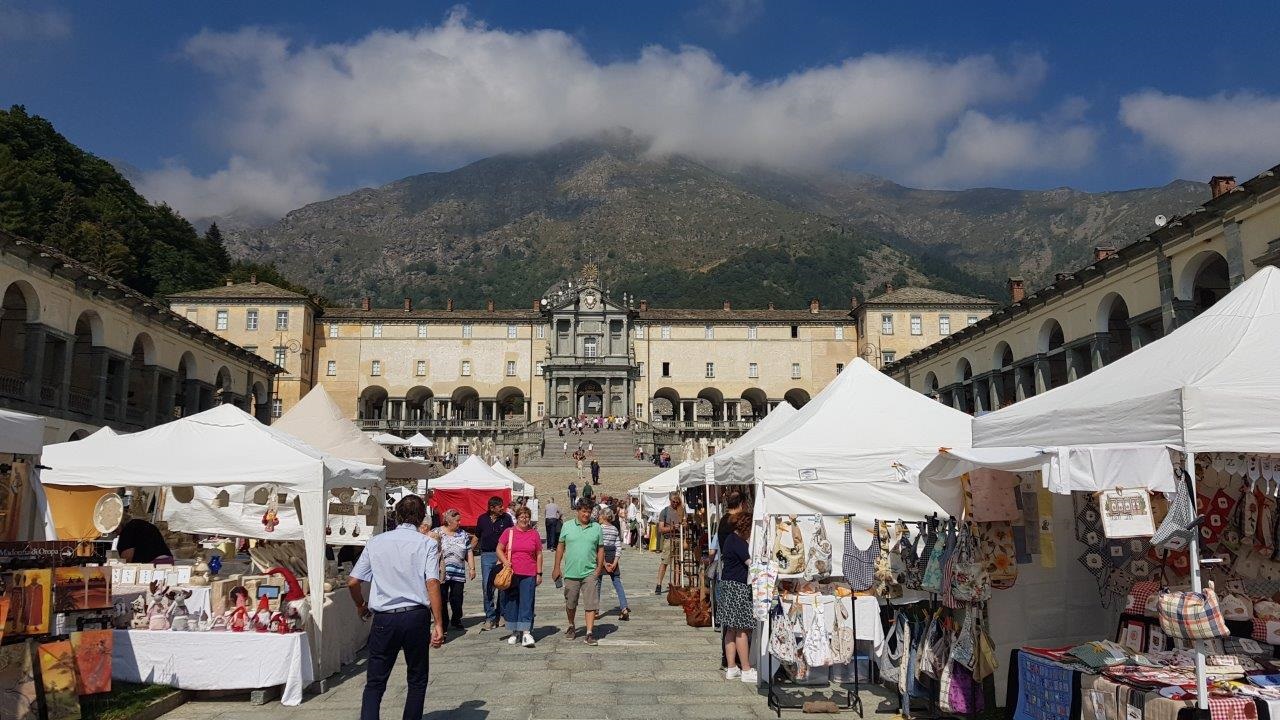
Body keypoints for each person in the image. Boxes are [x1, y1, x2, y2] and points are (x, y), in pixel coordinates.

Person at [347, 495, 444, 720]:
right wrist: (438, 622)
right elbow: (432, 582)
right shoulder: (427, 543)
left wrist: (360, 605)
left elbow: (353, 581)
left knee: (375, 682)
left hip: (385, 617)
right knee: (417, 678)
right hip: (415, 616)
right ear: (421, 517)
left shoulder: (376, 542)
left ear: (397, 515)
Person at [553, 498, 605, 646]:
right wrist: (556, 567)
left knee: (591, 604)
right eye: (584, 511)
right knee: (571, 603)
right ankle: (571, 625)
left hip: (590, 572)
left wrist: (599, 568)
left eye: (589, 511)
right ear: (578, 511)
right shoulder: (567, 526)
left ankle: (589, 632)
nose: (586, 514)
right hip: (571, 572)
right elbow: (560, 546)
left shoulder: (596, 527)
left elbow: (600, 548)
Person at [718, 511, 757, 683]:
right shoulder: (739, 542)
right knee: (741, 629)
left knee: (730, 629)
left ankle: (732, 667)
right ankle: (746, 669)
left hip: (727, 585)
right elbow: (751, 564)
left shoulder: (729, 540)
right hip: (738, 587)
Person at [497, 506, 543, 647]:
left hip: (529, 572)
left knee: (527, 602)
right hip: (512, 573)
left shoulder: (534, 534)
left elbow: (539, 553)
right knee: (512, 602)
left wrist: (539, 572)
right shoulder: (508, 532)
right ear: (517, 517)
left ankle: (526, 632)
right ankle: (514, 630)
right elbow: (499, 549)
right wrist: (506, 562)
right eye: (522, 516)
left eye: (527, 516)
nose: (524, 519)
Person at [426, 509, 475, 632]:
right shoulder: (436, 532)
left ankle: (456, 619)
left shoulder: (463, 534)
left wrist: (472, 568)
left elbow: (469, 551)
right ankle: (443, 622)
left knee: (457, 598)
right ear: (448, 521)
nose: (459, 523)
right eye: (457, 520)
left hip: (458, 573)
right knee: (441, 599)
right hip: (441, 573)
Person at [475, 496, 514, 631]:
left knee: (502, 584)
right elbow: (477, 536)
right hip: (486, 555)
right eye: (500, 506)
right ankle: (490, 617)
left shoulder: (507, 519)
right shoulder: (482, 519)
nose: (502, 508)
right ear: (492, 508)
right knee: (487, 586)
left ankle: (501, 614)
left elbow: (511, 537)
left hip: (502, 555)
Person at [595, 507, 630, 621]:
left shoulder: (598, 529)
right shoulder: (615, 529)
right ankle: (624, 607)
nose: (598, 517)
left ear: (604, 517)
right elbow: (618, 547)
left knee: (597, 583)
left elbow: (597, 547)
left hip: (602, 556)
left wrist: (604, 563)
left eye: (600, 515)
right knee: (617, 582)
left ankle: (595, 610)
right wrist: (614, 562)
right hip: (612, 555)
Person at [655, 492, 683, 594]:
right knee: (665, 562)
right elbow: (661, 529)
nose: (675, 503)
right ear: (670, 501)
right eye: (673, 501)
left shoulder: (681, 511)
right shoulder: (665, 511)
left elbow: (685, 523)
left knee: (678, 563)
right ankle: (659, 584)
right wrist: (672, 527)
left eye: (677, 502)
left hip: (679, 539)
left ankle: (676, 585)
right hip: (668, 539)